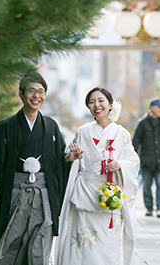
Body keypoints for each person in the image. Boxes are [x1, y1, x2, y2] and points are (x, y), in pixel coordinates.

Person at [0, 72, 82, 265]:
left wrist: (69, 158)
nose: (36, 96)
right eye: (31, 91)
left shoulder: (51, 127)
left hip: (43, 196)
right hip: (13, 194)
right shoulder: (5, 127)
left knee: (40, 244)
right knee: (9, 242)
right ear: (21, 94)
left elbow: (57, 161)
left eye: (41, 91)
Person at [55, 87, 139, 265]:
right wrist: (72, 157)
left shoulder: (122, 134)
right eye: (91, 102)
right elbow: (67, 158)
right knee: (81, 247)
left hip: (110, 197)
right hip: (84, 195)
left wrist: (120, 165)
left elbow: (133, 162)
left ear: (110, 105)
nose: (96, 105)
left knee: (107, 248)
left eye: (101, 101)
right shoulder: (82, 132)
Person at [132, 98, 160, 218]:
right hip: (147, 161)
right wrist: (132, 157)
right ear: (152, 108)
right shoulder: (143, 123)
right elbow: (135, 142)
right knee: (146, 186)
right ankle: (149, 208)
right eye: (159, 107)